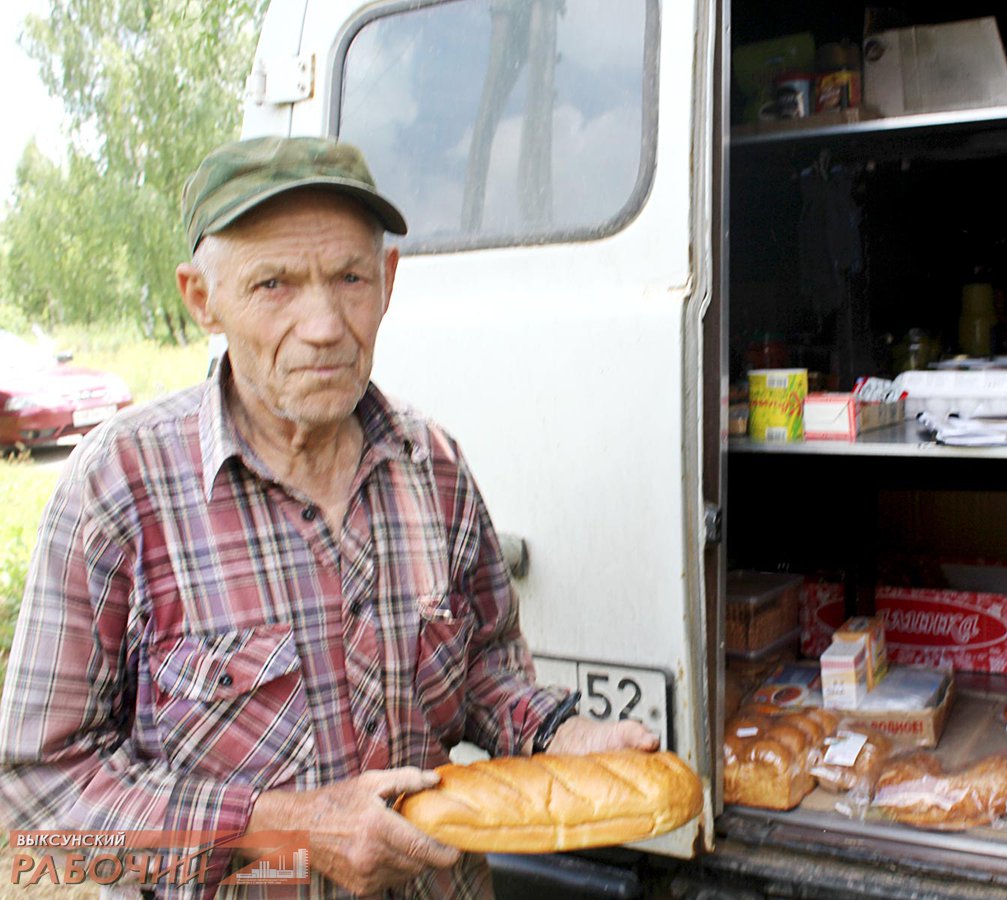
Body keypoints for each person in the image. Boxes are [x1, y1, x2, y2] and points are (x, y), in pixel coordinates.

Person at [0, 137, 658, 899]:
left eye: (349, 278)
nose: (323, 325)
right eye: (274, 284)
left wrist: (562, 734)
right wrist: (285, 829)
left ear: (386, 282)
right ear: (201, 300)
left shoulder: (434, 467)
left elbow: (485, 672)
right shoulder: (119, 490)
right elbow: (39, 798)